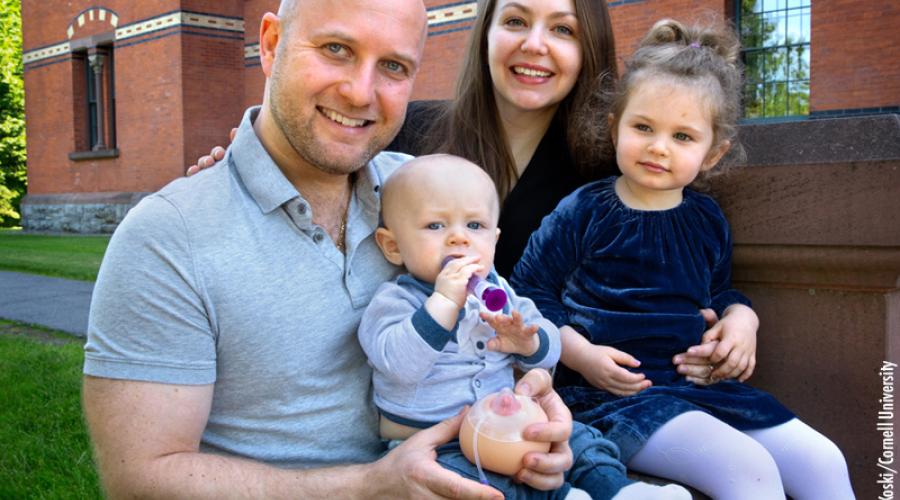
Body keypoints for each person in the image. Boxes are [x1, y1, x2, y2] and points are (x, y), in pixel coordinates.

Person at [82, 0, 575, 498]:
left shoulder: (422, 192)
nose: (360, 92)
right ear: (272, 44)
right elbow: (138, 478)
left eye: (393, 66)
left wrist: (536, 410)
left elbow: (499, 326)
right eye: (336, 49)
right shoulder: (170, 237)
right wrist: (369, 486)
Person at [188, 0, 722, 383]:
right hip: (424, 382)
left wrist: (734, 315)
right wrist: (231, 166)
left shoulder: (611, 173)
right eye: (514, 20)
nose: (533, 44)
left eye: (562, 29)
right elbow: (310, 173)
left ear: (589, 49)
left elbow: (679, 257)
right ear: (485, 33)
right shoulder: (406, 136)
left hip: (558, 388)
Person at [511, 19, 856, 499]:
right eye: (644, 127)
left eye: (683, 136)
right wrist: (578, 354)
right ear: (615, 128)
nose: (658, 146)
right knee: (747, 470)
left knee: (823, 461)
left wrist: (742, 321)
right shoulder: (583, 210)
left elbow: (717, 294)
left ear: (713, 153)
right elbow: (528, 293)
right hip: (613, 399)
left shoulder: (706, 219)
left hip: (705, 389)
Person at [359, 153, 690, 500]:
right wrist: (443, 301)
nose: (459, 239)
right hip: (435, 445)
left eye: (475, 226)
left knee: (580, 440)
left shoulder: (500, 293)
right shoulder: (395, 302)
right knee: (471, 484)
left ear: (494, 239)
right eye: (435, 226)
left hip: (510, 424)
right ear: (393, 246)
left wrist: (526, 345)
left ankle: (620, 491)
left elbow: (548, 345)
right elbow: (399, 365)